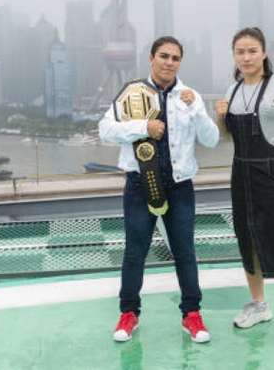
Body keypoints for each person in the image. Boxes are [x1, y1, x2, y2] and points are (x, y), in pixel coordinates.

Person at [99, 36, 220, 344]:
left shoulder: (190, 96)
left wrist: (196, 110)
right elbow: (105, 131)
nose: (169, 62)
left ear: (180, 62)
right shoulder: (131, 93)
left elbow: (211, 139)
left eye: (175, 58)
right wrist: (143, 128)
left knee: (185, 252)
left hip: (180, 185)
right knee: (134, 252)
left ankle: (191, 314)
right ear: (151, 58)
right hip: (140, 184)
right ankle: (129, 314)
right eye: (164, 56)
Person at [214, 27, 274, 351]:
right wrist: (219, 119)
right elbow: (227, 137)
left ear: (264, 53)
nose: (246, 57)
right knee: (248, 240)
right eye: (240, 51)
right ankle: (259, 305)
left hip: (272, 173)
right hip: (240, 173)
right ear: (234, 56)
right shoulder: (233, 88)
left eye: (252, 51)